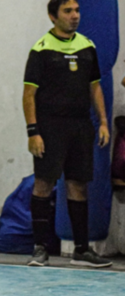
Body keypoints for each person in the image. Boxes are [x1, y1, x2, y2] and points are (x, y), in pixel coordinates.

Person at [23, 0, 112, 268]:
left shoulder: (87, 46)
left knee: (78, 185)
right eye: (68, 11)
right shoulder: (41, 50)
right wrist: (33, 132)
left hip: (80, 125)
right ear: (53, 16)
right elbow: (29, 94)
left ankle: (82, 250)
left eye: (77, 11)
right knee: (44, 183)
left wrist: (104, 122)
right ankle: (40, 249)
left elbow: (94, 87)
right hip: (50, 127)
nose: (75, 16)